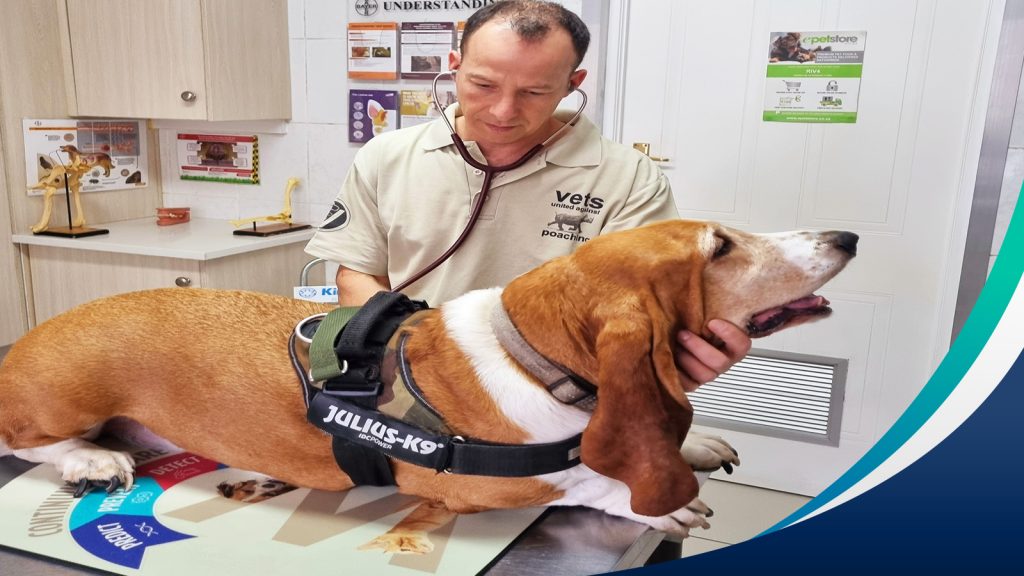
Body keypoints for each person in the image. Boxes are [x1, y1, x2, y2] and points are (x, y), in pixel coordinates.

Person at [305, 0, 751, 390]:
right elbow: (357, 276)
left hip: (557, 391)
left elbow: (644, 302)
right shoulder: (387, 155)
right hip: (414, 373)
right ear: (454, 66)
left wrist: (681, 351)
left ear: (573, 84)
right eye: (483, 85)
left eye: (535, 92)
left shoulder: (628, 177)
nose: (503, 111)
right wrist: (417, 362)